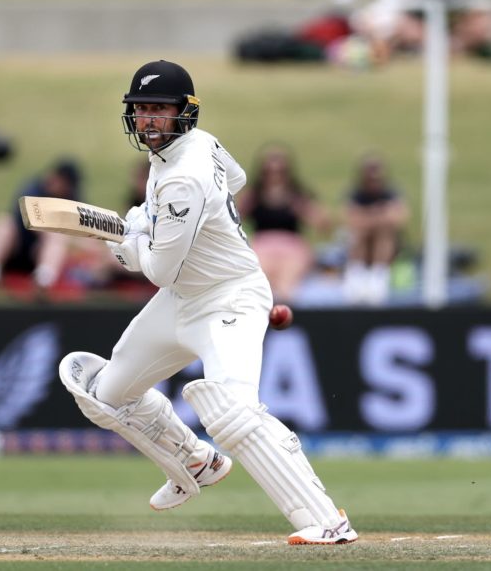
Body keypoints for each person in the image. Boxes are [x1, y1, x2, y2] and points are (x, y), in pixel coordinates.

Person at [57, 60, 357, 545]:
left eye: (160, 110)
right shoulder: (200, 146)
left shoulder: (184, 176)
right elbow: (234, 180)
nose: (149, 120)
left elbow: (156, 269)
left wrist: (120, 239)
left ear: (184, 114)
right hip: (182, 299)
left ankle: (327, 521)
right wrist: (152, 221)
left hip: (230, 297)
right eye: (141, 110)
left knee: (232, 410)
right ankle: (197, 460)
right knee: (105, 395)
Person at [237, 145, 333, 302]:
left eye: (280, 172)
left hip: (291, 245)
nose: (275, 176)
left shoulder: (298, 195)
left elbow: (323, 224)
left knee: (287, 285)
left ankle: (284, 315)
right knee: (261, 280)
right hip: (263, 243)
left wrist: (302, 207)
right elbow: (232, 218)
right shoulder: (254, 195)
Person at [0, 157, 82, 292]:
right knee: (4, 223)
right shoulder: (33, 189)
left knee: (57, 236)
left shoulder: (71, 197)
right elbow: (27, 219)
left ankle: (44, 280)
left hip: (42, 254)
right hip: (17, 248)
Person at [341, 153, 410, 305]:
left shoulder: (391, 193)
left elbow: (400, 219)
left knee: (383, 233)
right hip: (361, 244)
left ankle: (378, 278)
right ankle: (357, 277)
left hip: (389, 248)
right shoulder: (356, 194)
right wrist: (380, 215)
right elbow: (351, 221)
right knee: (360, 233)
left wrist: (369, 216)